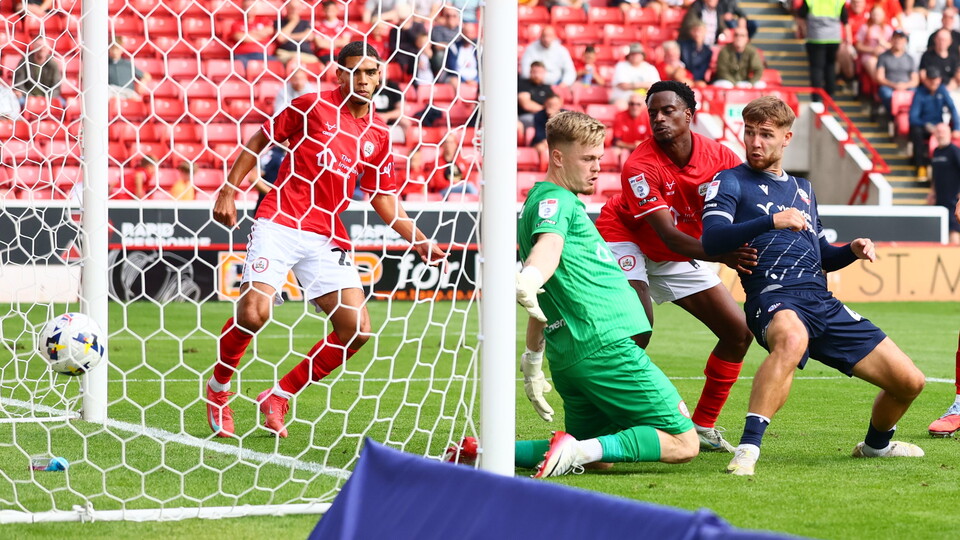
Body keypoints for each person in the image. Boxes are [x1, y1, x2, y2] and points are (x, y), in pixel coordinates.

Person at [205, 41, 446, 439]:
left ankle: (278, 395)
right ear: (340, 74)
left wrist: (418, 239)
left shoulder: (379, 136)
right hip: (280, 219)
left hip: (325, 233)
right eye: (355, 71)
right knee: (253, 314)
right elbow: (259, 140)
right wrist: (228, 189)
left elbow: (381, 196)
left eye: (371, 72)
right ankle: (218, 389)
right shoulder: (311, 106)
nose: (364, 79)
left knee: (358, 330)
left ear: (380, 75)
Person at [446, 111, 700, 476]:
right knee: (683, 442)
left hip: (570, 359)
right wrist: (530, 275)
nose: (597, 168)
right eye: (587, 159)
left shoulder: (542, 202)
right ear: (558, 157)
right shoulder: (556, 202)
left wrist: (533, 356)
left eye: (599, 158)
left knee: (599, 455)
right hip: (604, 345)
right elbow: (546, 252)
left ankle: (483, 453)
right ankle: (571, 451)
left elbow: (541, 284)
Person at [701, 96, 927, 477]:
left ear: (787, 138)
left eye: (765, 135)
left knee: (910, 382)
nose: (755, 142)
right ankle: (747, 450)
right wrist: (770, 221)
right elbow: (712, 239)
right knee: (792, 340)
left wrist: (852, 250)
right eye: (750, 132)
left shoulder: (803, 188)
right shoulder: (730, 181)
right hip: (772, 297)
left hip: (821, 301)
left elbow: (821, 253)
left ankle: (876, 446)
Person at [594, 81, 755, 453]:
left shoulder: (722, 158)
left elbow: (746, 206)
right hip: (626, 235)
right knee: (638, 329)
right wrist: (725, 254)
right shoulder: (639, 164)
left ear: (689, 114)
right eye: (653, 113)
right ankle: (615, 421)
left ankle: (702, 425)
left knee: (738, 333)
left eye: (668, 111)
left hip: (681, 248)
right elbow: (667, 235)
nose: (659, 119)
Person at [909, 67, 960, 180]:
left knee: (946, 134)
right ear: (926, 80)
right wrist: (926, 125)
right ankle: (920, 166)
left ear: (939, 79)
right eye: (931, 79)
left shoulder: (942, 90)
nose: (933, 82)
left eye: (936, 79)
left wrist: (957, 128)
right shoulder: (919, 93)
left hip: (939, 125)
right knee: (916, 132)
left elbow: (953, 109)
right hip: (923, 126)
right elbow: (913, 117)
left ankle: (949, 167)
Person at [796, 0, 848, 101]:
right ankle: (830, 96)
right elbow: (845, 20)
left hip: (816, 38)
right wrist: (847, 38)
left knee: (816, 69)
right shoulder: (838, 1)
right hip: (834, 39)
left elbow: (801, 17)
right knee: (830, 66)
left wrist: (803, 31)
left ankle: (816, 98)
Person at [926, 123, 960, 245]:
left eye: (943, 132)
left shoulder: (954, 151)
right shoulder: (935, 152)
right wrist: (932, 192)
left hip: (953, 200)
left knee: (954, 231)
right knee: (940, 231)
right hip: (940, 199)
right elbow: (934, 176)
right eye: (938, 132)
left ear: (949, 133)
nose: (941, 135)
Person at [875, 30, 918, 114]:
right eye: (896, 38)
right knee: (886, 94)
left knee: (917, 95)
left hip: (906, 87)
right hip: (889, 86)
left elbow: (915, 80)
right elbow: (879, 78)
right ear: (891, 40)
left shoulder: (910, 58)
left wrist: (904, 86)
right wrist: (894, 85)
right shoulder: (883, 57)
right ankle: (890, 116)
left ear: (905, 41)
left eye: (901, 38)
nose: (898, 41)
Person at [13, 38, 63, 107]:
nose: (42, 49)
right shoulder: (25, 61)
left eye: (44, 47)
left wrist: (47, 98)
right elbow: (19, 83)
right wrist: (30, 96)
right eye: (39, 46)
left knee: (63, 103)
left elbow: (56, 87)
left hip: (47, 97)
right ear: (33, 48)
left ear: (49, 49)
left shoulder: (53, 64)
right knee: (16, 101)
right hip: (27, 96)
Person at [610, 43, 661, 110]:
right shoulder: (621, 66)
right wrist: (644, 84)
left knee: (652, 106)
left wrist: (633, 85)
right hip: (624, 99)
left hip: (643, 100)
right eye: (633, 54)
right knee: (620, 106)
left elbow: (656, 87)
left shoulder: (650, 68)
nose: (635, 56)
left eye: (638, 54)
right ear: (629, 56)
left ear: (642, 55)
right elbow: (623, 85)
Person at [428, 132, 478, 197]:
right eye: (446, 142)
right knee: (469, 187)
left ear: (455, 145)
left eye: (451, 142)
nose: (448, 145)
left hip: (460, 188)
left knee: (469, 186)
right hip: (444, 192)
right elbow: (439, 183)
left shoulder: (461, 161)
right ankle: (479, 201)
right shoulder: (438, 162)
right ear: (442, 145)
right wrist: (456, 184)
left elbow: (468, 178)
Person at [230, 0, 277, 66]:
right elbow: (240, 37)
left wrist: (248, 34)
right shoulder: (236, 23)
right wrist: (260, 35)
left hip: (264, 55)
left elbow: (269, 30)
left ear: (255, 8)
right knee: (240, 67)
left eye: (251, 7)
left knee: (277, 66)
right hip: (243, 56)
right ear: (242, 8)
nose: (249, 9)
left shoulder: (264, 20)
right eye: (246, 7)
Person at [274, 0, 320, 65]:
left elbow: (310, 36)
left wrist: (288, 36)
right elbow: (280, 38)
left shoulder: (305, 23)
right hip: (286, 53)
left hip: (306, 55)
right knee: (295, 61)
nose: (294, 10)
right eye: (292, 7)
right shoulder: (279, 22)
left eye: (296, 8)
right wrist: (293, 21)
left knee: (321, 66)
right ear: (287, 7)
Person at [518, 61, 556, 130]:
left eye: (540, 72)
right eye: (534, 72)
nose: (537, 75)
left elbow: (554, 103)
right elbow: (526, 105)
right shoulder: (523, 84)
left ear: (544, 73)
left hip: (545, 116)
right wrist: (546, 110)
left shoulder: (547, 87)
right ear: (530, 72)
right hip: (528, 116)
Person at [679, 22, 713, 87]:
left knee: (702, 85)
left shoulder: (708, 51)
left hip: (698, 79)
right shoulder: (683, 46)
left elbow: (703, 68)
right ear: (691, 32)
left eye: (700, 31)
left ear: (705, 32)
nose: (697, 34)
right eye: (695, 31)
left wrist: (695, 81)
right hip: (685, 77)